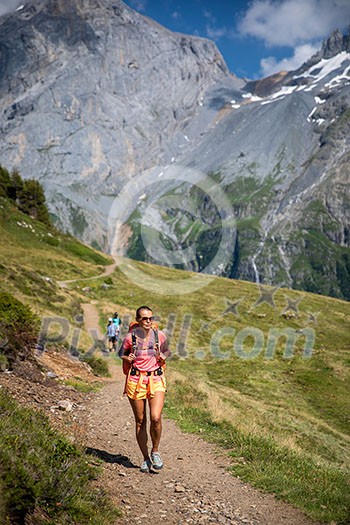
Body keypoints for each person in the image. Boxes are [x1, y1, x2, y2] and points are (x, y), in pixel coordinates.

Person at [120, 305, 170, 473]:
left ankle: (155, 451)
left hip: (156, 378)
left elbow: (167, 349)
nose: (148, 321)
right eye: (145, 318)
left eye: (151, 318)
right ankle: (145, 459)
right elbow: (121, 352)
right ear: (138, 320)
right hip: (135, 379)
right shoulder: (130, 337)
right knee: (140, 420)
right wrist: (128, 357)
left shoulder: (159, 335)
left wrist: (163, 355)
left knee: (155, 417)